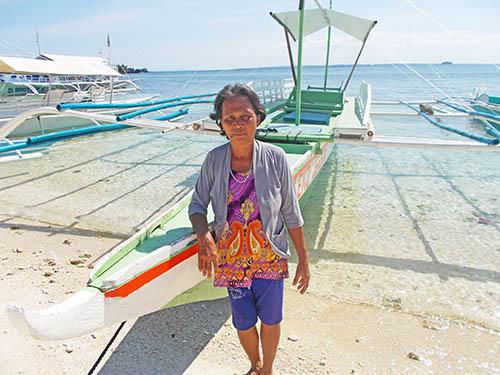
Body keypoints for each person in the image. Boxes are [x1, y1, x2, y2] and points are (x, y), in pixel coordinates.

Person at [189, 83, 310, 375]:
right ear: (221, 124)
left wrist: (304, 259)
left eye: (245, 116)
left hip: (268, 253)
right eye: (230, 118)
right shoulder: (214, 160)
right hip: (230, 257)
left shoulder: (276, 157)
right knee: (242, 321)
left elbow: (291, 213)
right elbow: (196, 205)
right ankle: (253, 363)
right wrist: (204, 236)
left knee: (271, 319)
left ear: (258, 117)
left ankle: (267, 369)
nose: (238, 124)